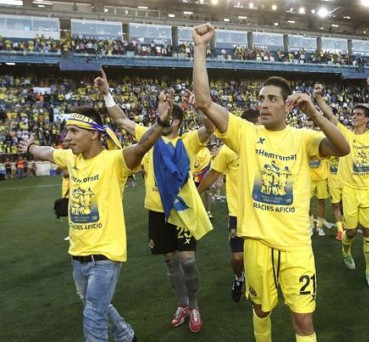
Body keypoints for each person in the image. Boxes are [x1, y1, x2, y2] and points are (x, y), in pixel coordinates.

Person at [193, 23, 349, 342]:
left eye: (271, 99)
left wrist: (316, 115)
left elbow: (343, 147)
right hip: (258, 243)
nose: (263, 104)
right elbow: (204, 102)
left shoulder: (303, 138)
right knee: (261, 311)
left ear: (287, 105)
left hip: (296, 245)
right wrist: (199, 48)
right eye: (261, 98)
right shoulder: (247, 134)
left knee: (304, 322)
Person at [19, 102, 171, 341]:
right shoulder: (71, 158)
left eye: (74, 131)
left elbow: (141, 147)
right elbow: (47, 152)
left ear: (93, 134)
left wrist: (160, 123)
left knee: (93, 317)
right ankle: (125, 335)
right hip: (77, 254)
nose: (67, 138)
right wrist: (30, 146)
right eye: (67, 131)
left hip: (104, 256)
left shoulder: (114, 161)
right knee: (96, 305)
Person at [95, 70, 213, 333]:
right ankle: (182, 304)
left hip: (182, 211)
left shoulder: (188, 141)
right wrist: (106, 94)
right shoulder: (149, 139)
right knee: (170, 261)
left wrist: (201, 104)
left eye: (169, 117)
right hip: (157, 212)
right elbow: (122, 120)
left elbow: (211, 128)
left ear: (179, 122)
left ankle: (194, 305)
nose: (164, 119)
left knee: (188, 261)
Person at [314, 79, 369, 287]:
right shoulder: (346, 134)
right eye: (352, 114)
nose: (353, 117)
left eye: (358, 114)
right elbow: (330, 116)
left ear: (366, 119)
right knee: (352, 232)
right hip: (351, 191)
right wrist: (319, 96)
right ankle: (346, 250)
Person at [197, 108, 261, 303]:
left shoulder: (265, 145)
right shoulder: (227, 150)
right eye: (258, 124)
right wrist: (195, 192)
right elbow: (214, 174)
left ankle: (258, 284)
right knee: (238, 258)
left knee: (260, 257)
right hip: (238, 213)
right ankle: (239, 277)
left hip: (261, 212)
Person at [313, 84, 344, 241]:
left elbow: (332, 118)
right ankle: (340, 230)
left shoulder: (344, 137)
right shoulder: (321, 139)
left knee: (343, 207)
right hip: (330, 179)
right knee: (335, 206)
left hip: (345, 180)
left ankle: (344, 227)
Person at [305, 118, 330, 237]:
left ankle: (319, 226)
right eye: (307, 125)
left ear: (315, 127)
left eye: (310, 125)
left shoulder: (320, 137)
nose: (308, 127)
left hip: (321, 177)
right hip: (308, 177)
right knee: (306, 203)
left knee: (321, 202)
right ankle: (310, 225)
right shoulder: (302, 139)